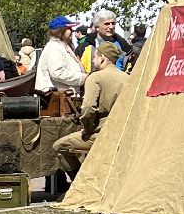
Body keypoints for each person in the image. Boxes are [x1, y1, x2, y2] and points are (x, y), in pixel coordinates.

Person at [53, 43, 128, 176]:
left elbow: (88, 108)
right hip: (123, 131)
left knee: (59, 147)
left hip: (102, 132)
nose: (93, 60)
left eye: (95, 57)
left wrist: (88, 129)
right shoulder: (128, 78)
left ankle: (79, 182)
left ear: (102, 58)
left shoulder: (95, 77)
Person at [34, 16, 87, 96]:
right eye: (69, 28)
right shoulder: (54, 47)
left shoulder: (61, 46)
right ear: (59, 31)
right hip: (55, 98)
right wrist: (82, 78)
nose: (72, 31)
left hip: (62, 96)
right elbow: (58, 73)